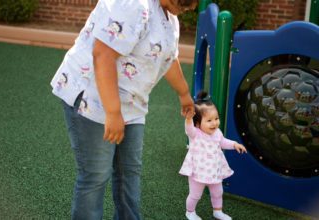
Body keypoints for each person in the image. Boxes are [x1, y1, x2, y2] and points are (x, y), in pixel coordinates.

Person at [50, 0, 198, 219]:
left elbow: (168, 58)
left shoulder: (170, 18)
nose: (192, 7)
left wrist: (184, 94)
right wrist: (113, 112)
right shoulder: (134, 4)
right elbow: (102, 54)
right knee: (96, 176)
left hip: (132, 105)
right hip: (94, 99)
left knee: (129, 172)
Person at [179, 91, 247, 220]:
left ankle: (217, 211)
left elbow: (222, 142)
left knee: (218, 192)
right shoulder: (195, 134)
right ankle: (190, 212)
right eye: (209, 120)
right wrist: (188, 119)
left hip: (214, 170)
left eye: (216, 118)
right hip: (198, 171)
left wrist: (234, 144)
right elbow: (189, 128)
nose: (214, 123)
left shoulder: (217, 132)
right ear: (198, 123)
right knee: (195, 195)